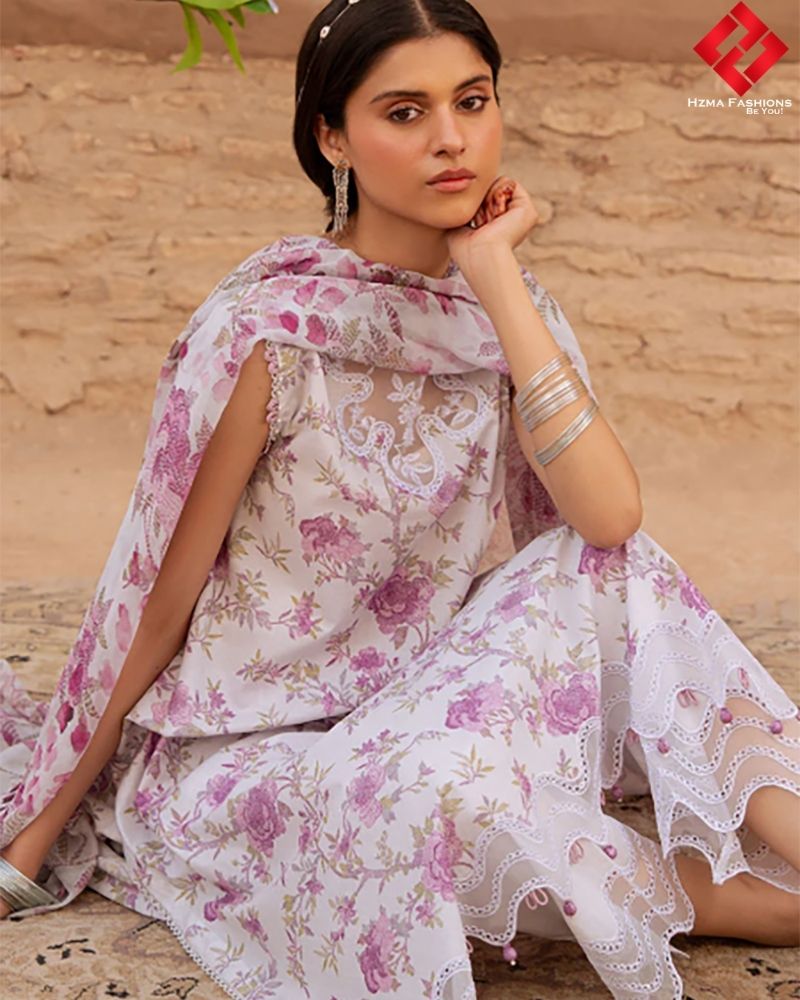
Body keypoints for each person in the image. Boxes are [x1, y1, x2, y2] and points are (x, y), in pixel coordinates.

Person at [1, 1, 798, 997]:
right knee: (434, 802)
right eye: (405, 112)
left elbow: (608, 521)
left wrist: (493, 274)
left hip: (427, 688)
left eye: (471, 101)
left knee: (615, 568)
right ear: (332, 136)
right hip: (255, 746)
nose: (451, 138)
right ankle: (749, 906)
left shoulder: (505, 311)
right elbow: (156, 600)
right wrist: (34, 836)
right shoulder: (270, 332)